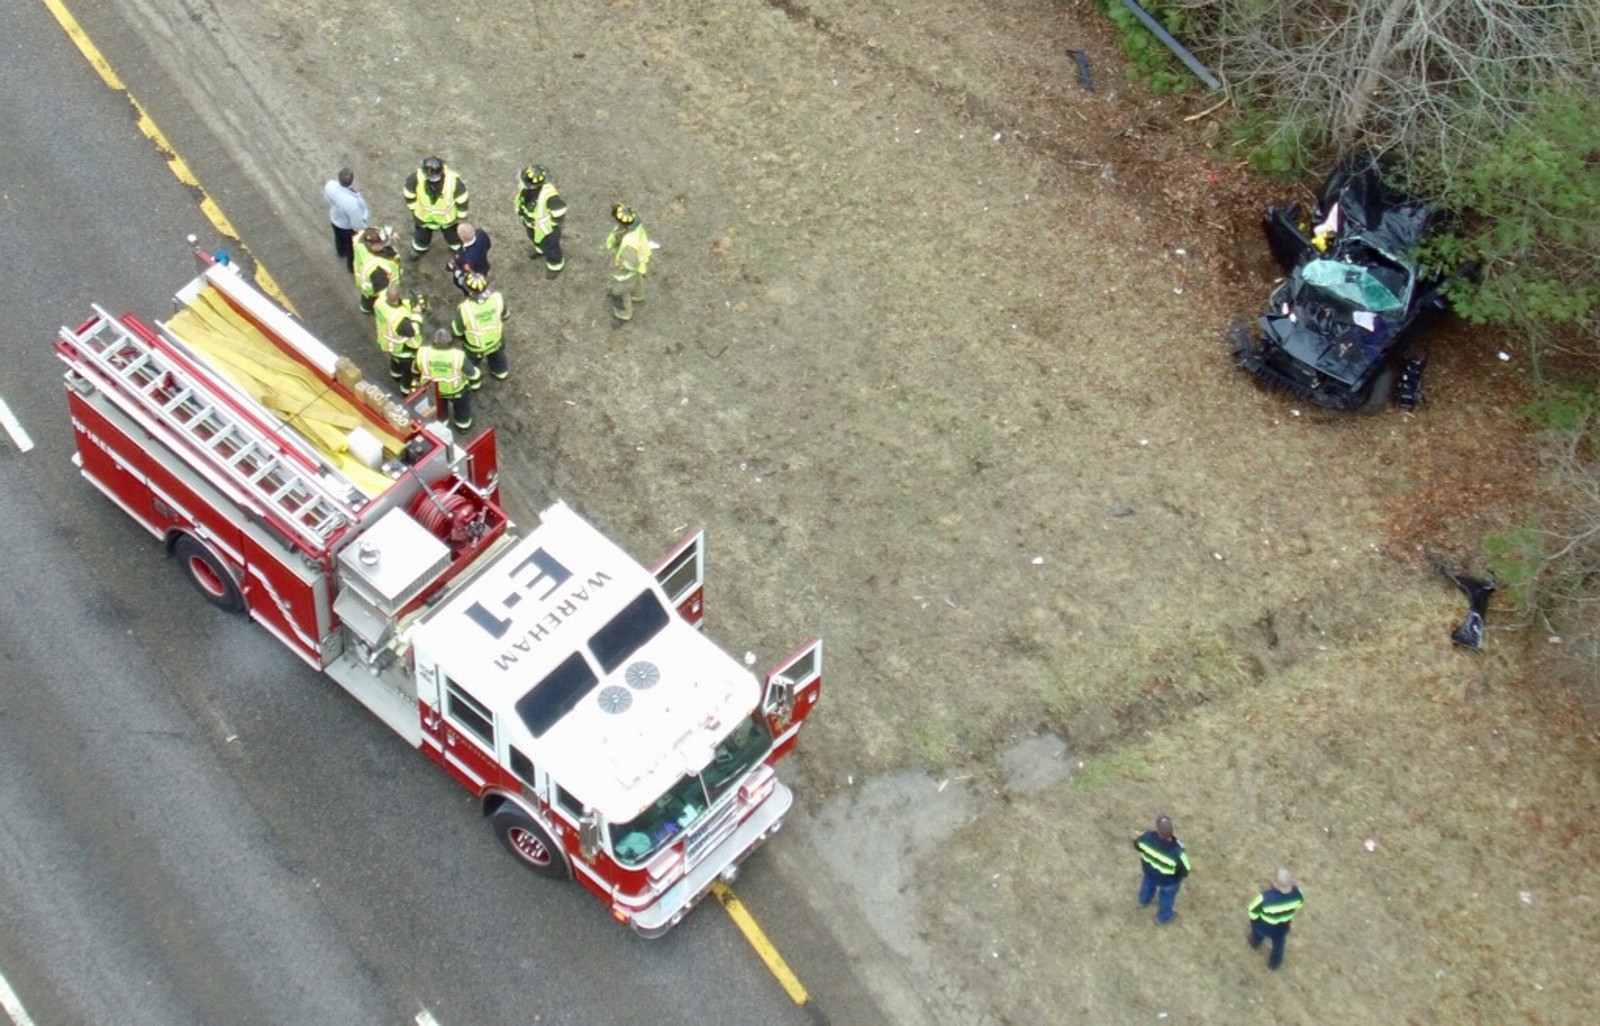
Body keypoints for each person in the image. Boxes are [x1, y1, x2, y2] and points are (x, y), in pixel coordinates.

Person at [402, 156, 470, 260]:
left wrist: (461, 217)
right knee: (421, 236)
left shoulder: (453, 182)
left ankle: (458, 249)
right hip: (423, 217)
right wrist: (414, 209)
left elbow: (462, 200)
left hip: (447, 219)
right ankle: (419, 248)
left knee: (453, 237)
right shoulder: (415, 178)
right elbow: (408, 194)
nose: (433, 179)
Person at [413, 329, 480, 432]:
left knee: (440, 410)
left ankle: (441, 426)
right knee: (462, 408)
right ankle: (463, 427)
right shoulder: (458, 356)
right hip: (456, 390)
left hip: (433, 391)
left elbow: (415, 370)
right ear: (450, 342)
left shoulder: (423, 353)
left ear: (434, 341)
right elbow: (472, 374)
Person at [450, 273, 509, 382]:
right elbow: (506, 315)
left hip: (475, 348)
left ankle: (475, 382)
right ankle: (501, 372)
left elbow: (456, 332)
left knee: (470, 363)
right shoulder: (497, 298)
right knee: (498, 357)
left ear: (468, 290)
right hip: (497, 340)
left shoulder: (464, 309)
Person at [1133, 814, 1191, 924]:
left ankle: (1143, 901)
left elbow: (1137, 845)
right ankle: (1163, 917)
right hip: (1169, 882)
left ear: (1158, 831)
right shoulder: (1177, 852)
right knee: (1167, 899)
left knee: (1147, 886)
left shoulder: (1147, 838)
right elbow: (1185, 870)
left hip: (1149, 874)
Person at [514, 164, 567, 277]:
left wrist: (552, 224)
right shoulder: (527, 190)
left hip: (547, 231)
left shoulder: (549, 195)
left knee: (551, 248)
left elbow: (560, 210)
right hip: (532, 226)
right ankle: (539, 250)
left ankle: (556, 265)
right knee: (534, 238)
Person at [1247, 868, 1305, 970]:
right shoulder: (1298, 894)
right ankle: (1274, 963)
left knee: (1258, 934)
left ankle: (1255, 943)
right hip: (1283, 926)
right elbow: (1300, 904)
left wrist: (1255, 921)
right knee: (1279, 944)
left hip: (1264, 925)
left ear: (1275, 884)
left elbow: (1252, 909)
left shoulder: (1265, 897)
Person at [604, 203, 651, 326]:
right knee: (636, 280)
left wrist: (620, 263)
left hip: (626, 273)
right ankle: (638, 296)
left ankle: (623, 315)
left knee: (619, 293)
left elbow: (631, 264)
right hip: (637, 268)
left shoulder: (629, 244)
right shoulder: (636, 227)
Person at [373, 285, 425, 389]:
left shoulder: (380, 302)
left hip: (388, 344)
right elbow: (412, 331)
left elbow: (400, 306)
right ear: (399, 295)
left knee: (395, 361)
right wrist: (416, 314)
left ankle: (395, 374)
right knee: (408, 372)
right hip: (403, 350)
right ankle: (406, 390)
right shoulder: (398, 321)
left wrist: (410, 303)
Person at [324, 168, 369, 274]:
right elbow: (356, 223)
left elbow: (327, 198)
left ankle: (340, 252)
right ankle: (351, 266)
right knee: (351, 248)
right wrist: (362, 229)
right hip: (346, 227)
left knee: (338, 238)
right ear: (352, 180)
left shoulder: (330, 185)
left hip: (335, 219)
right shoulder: (351, 203)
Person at [352, 226, 402, 315]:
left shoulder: (361, 239)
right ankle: (367, 309)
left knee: (365, 296)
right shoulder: (377, 269)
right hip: (373, 289)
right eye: (380, 243)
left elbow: (375, 230)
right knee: (370, 300)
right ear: (371, 245)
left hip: (364, 277)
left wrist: (391, 232)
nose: (383, 244)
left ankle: (365, 307)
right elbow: (384, 292)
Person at [448, 221, 492, 295]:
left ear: (462, 237)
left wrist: (453, 268)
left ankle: (470, 293)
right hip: (483, 265)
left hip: (474, 274)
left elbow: (465, 271)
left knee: (467, 285)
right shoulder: (481, 234)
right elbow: (488, 245)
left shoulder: (466, 258)